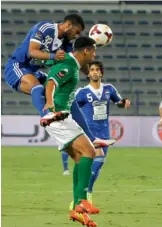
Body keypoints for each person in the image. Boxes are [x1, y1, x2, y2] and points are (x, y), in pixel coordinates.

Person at [4, 14, 115, 148]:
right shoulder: (45, 28)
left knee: (69, 96)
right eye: (77, 32)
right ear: (68, 25)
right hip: (17, 66)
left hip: (33, 72)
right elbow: (31, 51)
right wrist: (52, 56)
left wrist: (91, 73)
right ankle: (47, 116)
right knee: (38, 88)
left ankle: (92, 138)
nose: (76, 36)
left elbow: (77, 61)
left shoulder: (66, 44)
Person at [42, 36, 101, 226]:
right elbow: (51, 82)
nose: (95, 54)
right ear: (86, 51)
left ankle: (78, 210)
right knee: (90, 151)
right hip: (58, 116)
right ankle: (82, 200)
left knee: (79, 159)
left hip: (63, 116)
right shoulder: (68, 64)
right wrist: (50, 102)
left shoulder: (73, 65)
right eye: (93, 50)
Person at [62, 61, 130, 203]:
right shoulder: (82, 92)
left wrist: (125, 102)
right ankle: (83, 194)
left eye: (97, 70)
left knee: (98, 164)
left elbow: (119, 102)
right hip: (89, 132)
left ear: (101, 73)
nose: (94, 72)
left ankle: (87, 192)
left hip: (104, 131)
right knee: (97, 159)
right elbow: (71, 106)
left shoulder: (109, 89)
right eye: (92, 69)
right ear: (88, 73)